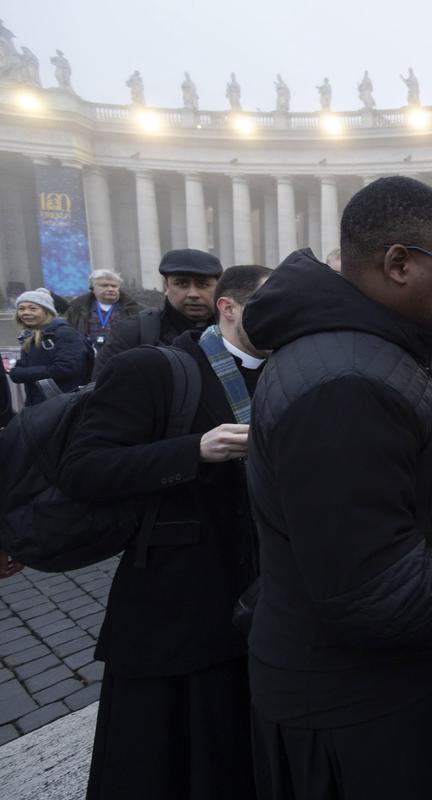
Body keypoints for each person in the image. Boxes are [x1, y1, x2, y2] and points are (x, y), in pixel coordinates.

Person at [240, 177, 432, 800]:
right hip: (354, 709)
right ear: (399, 263)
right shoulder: (347, 383)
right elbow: (380, 597)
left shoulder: (352, 354)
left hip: (359, 688)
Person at [60, 265, 273, 800]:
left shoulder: (283, 369)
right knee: (160, 762)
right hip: (171, 606)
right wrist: (194, 450)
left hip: (254, 598)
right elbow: (84, 468)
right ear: (230, 308)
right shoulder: (152, 368)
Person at [95, 249, 222, 374]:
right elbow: (103, 388)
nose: (193, 294)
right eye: (182, 283)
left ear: (218, 287)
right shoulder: (134, 332)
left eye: (203, 284)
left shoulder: (237, 332)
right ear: (166, 286)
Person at [10, 288, 91, 405]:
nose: (26, 312)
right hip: (40, 404)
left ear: (47, 311)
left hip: (62, 404)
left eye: (33, 308)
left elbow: (67, 368)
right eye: (21, 309)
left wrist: (23, 373)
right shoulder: (30, 336)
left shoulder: (64, 334)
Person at [65, 269, 142, 353]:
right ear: (92, 288)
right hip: (87, 358)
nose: (110, 289)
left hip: (121, 357)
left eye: (114, 286)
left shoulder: (134, 309)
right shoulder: (77, 308)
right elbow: (69, 335)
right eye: (104, 285)